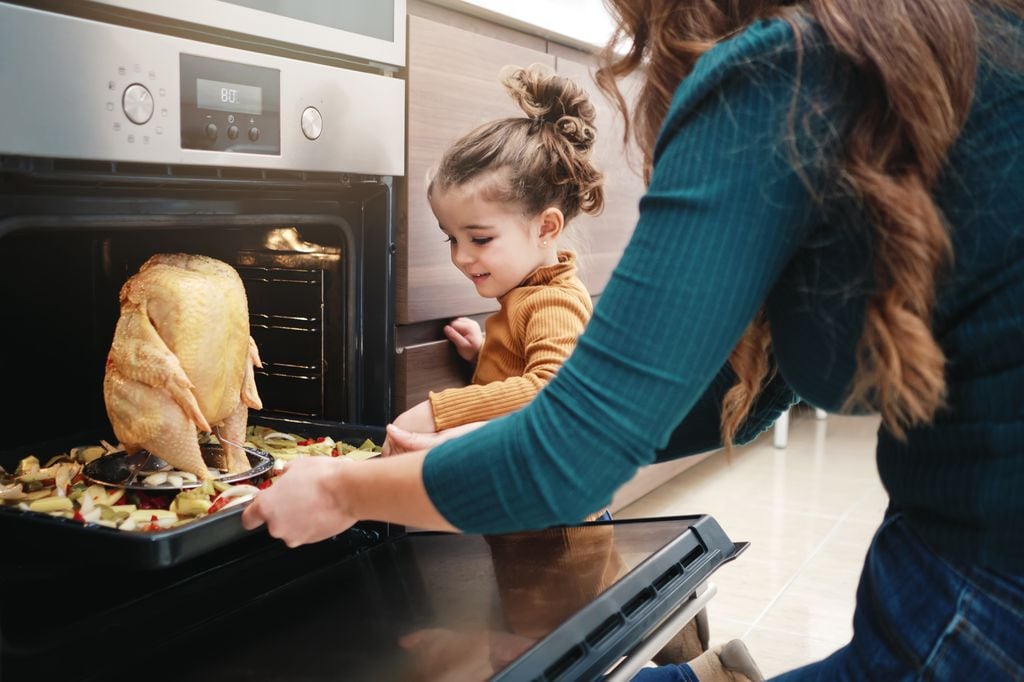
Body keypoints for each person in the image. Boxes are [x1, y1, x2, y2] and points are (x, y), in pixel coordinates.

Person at [244, 0, 1024, 679]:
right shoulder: (928, 40)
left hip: (991, 575)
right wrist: (503, 435)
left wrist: (343, 490)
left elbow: (570, 453)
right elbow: (728, 396)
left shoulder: (782, 75)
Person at [381, 63, 603, 455]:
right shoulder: (528, 292)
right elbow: (526, 367)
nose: (462, 257)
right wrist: (485, 352)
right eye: (452, 238)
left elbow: (551, 386)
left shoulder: (553, 301)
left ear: (546, 228)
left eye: (480, 239)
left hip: (549, 514)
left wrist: (440, 411)